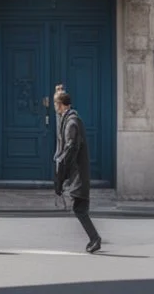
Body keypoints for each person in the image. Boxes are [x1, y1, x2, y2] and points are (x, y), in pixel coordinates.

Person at [53, 83, 101, 253]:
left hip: (77, 173)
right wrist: (58, 93)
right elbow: (61, 127)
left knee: (79, 208)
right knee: (80, 208)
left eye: (55, 104)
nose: (54, 109)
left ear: (61, 105)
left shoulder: (72, 122)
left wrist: (62, 171)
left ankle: (95, 238)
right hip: (76, 173)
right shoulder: (69, 118)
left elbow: (70, 148)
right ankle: (94, 238)